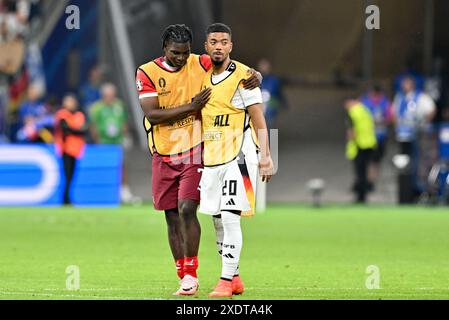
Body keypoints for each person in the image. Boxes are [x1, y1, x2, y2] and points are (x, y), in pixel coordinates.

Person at [135, 24, 261, 296]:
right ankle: (184, 273)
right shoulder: (147, 72)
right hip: (163, 152)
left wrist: (255, 74)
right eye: (175, 53)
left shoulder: (200, 62)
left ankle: (198, 273)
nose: (181, 58)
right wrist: (192, 107)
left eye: (185, 53)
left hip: (196, 151)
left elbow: (228, 64)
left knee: (188, 209)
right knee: (171, 216)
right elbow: (153, 115)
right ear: (164, 49)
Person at [199, 23, 273, 298]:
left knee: (230, 218)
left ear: (231, 46)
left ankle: (224, 281)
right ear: (206, 47)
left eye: (224, 42)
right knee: (217, 219)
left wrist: (266, 156)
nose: (219, 46)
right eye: (213, 42)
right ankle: (235, 276)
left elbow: (259, 119)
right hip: (212, 158)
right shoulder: (201, 73)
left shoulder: (244, 77)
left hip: (239, 157)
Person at [89, 83, 137, 204]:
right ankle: (104, 191)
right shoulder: (96, 108)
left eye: (112, 95)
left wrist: (126, 136)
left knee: (123, 165)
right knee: (104, 166)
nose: (110, 98)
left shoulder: (119, 105)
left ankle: (124, 191)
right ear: (103, 96)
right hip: (104, 142)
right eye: (107, 96)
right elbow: (93, 126)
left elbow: (124, 122)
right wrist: (97, 140)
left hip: (118, 141)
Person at [392, 76, 436, 198]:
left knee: (419, 159)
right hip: (403, 136)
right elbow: (394, 113)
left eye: (406, 83)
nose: (404, 86)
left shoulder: (421, 97)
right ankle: (405, 187)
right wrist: (397, 127)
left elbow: (431, 110)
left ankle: (420, 187)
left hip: (418, 135)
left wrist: (423, 124)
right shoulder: (399, 97)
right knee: (404, 163)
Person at [54, 94, 87, 205]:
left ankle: (66, 198)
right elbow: (66, 130)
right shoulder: (62, 114)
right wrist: (76, 130)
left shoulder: (79, 115)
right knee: (67, 174)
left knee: (71, 175)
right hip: (65, 149)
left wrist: (73, 130)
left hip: (76, 150)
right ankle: (66, 199)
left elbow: (83, 130)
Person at [359, 84, 392, 191]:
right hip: (366, 137)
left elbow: (390, 118)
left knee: (375, 161)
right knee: (367, 160)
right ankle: (366, 180)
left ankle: (371, 181)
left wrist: (381, 122)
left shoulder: (384, 103)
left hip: (380, 137)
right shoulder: (364, 102)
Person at [345, 99, 377, 203]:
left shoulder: (352, 113)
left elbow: (351, 131)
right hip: (369, 144)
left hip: (358, 145)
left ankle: (360, 197)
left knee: (360, 172)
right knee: (365, 170)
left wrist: (350, 139)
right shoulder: (365, 111)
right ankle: (364, 194)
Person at [257, 58, 288, 129]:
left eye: (265, 66)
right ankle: (262, 140)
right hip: (259, 107)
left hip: (271, 107)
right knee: (261, 126)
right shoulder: (256, 79)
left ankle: (273, 140)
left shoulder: (274, 80)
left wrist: (284, 104)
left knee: (272, 127)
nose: (264, 68)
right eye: (262, 66)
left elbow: (279, 93)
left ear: (269, 68)